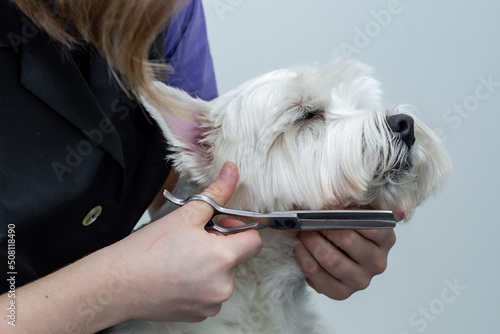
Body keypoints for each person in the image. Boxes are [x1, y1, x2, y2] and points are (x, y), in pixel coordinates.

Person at [0, 0, 396, 332]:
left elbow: (190, 182)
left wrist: (340, 246)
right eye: (307, 116)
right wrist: (118, 284)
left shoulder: (166, 9)